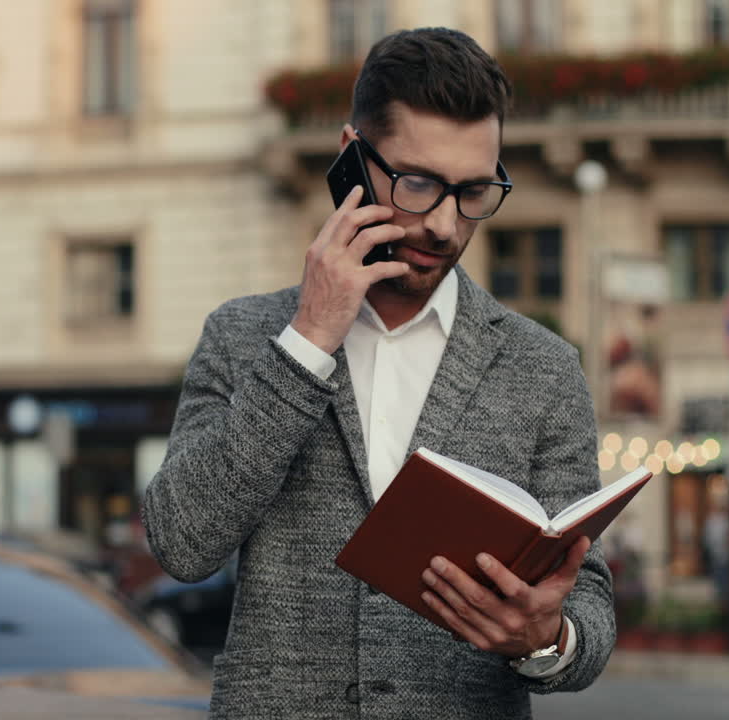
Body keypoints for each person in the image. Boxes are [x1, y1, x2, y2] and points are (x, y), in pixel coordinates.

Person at [143, 28, 613, 719]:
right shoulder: (243, 336)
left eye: (475, 191)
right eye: (418, 184)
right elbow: (183, 542)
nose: (447, 226)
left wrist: (548, 638)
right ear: (350, 158)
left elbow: (589, 604)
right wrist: (308, 341)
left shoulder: (542, 369)